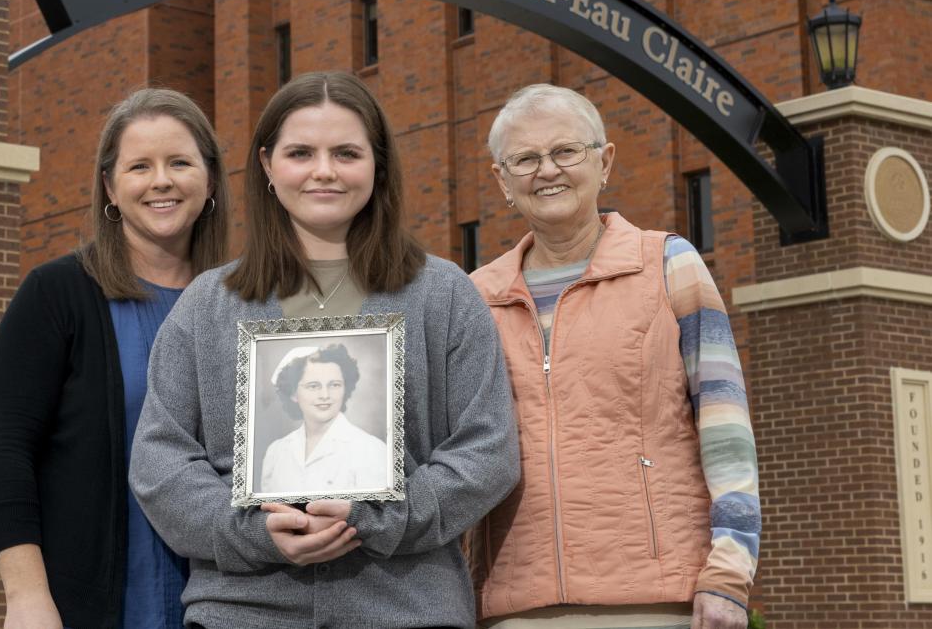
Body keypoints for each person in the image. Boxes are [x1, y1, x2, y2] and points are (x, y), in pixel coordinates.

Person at [130, 70, 520, 629]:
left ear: (377, 165)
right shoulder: (208, 305)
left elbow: (488, 449)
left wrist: (381, 518)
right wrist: (251, 532)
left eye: (346, 153)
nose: (323, 171)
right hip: (244, 612)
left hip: (405, 609)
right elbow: (160, 459)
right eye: (300, 153)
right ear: (267, 165)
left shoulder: (443, 294)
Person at [467, 84, 760, 629]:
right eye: (525, 159)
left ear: (604, 163)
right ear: (501, 181)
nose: (546, 170)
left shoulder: (669, 264)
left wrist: (730, 570)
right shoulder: (475, 296)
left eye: (565, 152)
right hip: (516, 604)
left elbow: (726, 429)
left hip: (654, 599)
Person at [0, 89, 230, 629]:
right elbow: (6, 455)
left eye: (179, 162)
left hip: (229, 602)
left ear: (209, 180)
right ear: (111, 187)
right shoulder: (55, 294)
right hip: (89, 604)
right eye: (140, 166)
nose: (161, 180)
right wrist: (25, 597)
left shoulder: (246, 303)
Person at [259, 343, 389, 494]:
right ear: (293, 393)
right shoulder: (276, 452)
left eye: (334, 385)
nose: (325, 395)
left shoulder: (370, 449)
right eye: (313, 386)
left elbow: (377, 514)